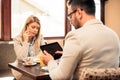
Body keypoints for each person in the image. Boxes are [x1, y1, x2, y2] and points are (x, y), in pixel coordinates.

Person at [42, 0, 120, 80]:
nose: (70, 21)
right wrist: (68, 54)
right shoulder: (114, 35)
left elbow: (60, 77)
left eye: (70, 16)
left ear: (79, 13)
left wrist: (50, 61)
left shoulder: (75, 36)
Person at [11, 15, 46, 80]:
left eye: (37, 28)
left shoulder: (40, 38)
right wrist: (26, 41)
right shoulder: (17, 39)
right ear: (26, 26)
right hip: (21, 71)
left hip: (36, 69)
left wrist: (31, 60)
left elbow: (43, 53)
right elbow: (21, 57)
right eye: (33, 27)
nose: (35, 30)